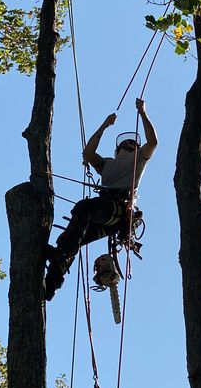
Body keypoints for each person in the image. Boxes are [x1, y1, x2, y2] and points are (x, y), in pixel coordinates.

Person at [45, 98, 158, 300]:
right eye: (127, 144)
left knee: (83, 208)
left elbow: (153, 142)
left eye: (133, 144)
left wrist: (142, 113)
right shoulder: (107, 163)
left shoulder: (139, 160)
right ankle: (52, 283)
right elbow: (88, 153)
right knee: (73, 240)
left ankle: (59, 259)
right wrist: (104, 126)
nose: (130, 145)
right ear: (117, 151)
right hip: (106, 216)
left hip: (115, 209)